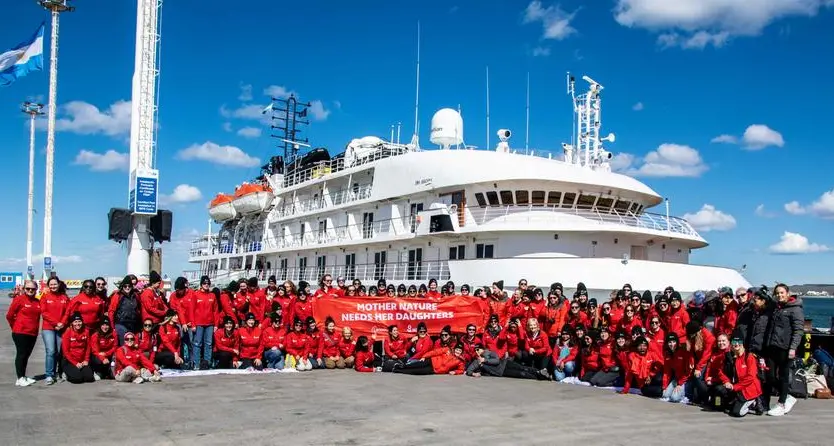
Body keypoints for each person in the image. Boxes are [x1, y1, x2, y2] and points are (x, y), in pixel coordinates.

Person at [763, 283, 803, 417]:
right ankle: (787, 396)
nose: (779, 295)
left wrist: (793, 348)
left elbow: (798, 330)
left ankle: (781, 403)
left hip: (785, 348)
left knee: (783, 376)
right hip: (772, 347)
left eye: (782, 293)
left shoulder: (795, 309)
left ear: (787, 293)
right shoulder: (776, 307)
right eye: (777, 293)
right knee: (770, 376)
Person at [715, 331, 765, 417]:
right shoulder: (731, 356)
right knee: (719, 394)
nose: (736, 344)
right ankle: (733, 402)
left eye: (739, 342)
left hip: (749, 389)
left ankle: (754, 401)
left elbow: (751, 377)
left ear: (743, 343)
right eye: (734, 342)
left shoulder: (749, 357)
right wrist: (726, 382)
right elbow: (720, 371)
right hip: (737, 387)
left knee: (737, 413)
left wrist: (735, 387)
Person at [6, 280, 42, 387]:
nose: (30, 290)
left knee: (26, 355)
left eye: (33, 289)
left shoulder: (37, 301)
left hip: (33, 333)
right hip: (20, 332)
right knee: (21, 354)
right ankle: (20, 377)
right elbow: (9, 316)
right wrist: (15, 327)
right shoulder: (19, 300)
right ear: (24, 289)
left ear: (36, 290)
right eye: (28, 289)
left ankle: (23, 376)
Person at [39, 276, 68, 385]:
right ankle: (49, 375)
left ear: (59, 284)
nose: (53, 286)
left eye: (55, 284)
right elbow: (44, 313)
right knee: (51, 351)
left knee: (60, 352)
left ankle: (59, 372)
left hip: (61, 328)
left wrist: (62, 323)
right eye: (51, 284)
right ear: (48, 286)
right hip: (48, 328)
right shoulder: (45, 297)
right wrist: (56, 323)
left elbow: (67, 312)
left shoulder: (64, 297)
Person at [466, 344, 550, 380]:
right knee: (521, 374)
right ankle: (539, 377)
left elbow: (497, 361)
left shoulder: (489, 353)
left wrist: (485, 360)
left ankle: (538, 371)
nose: (477, 351)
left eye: (478, 349)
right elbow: (469, 370)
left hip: (505, 363)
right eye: (475, 350)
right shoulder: (477, 361)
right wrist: (473, 374)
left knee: (523, 368)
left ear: (482, 349)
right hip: (502, 372)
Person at [189, 276, 217, 370]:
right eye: (204, 283)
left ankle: (207, 363)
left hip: (210, 323)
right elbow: (191, 310)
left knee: (208, 344)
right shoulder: (195, 295)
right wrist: (193, 324)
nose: (206, 285)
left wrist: (216, 324)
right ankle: (196, 363)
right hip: (198, 323)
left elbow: (215, 311)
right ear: (201, 284)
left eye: (208, 283)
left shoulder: (212, 295)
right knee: (197, 344)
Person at [61, 312, 95, 384]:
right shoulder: (68, 332)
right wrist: (75, 363)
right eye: (75, 322)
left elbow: (88, 347)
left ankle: (77, 372)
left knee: (89, 378)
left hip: (82, 361)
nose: (78, 323)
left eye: (79, 321)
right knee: (77, 379)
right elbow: (66, 351)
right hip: (70, 361)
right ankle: (65, 373)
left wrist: (86, 360)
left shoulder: (86, 331)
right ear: (72, 323)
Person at [393, 343, 466, 375]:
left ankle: (398, 370)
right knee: (416, 365)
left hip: (435, 370)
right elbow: (435, 352)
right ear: (454, 349)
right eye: (457, 349)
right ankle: (401, 366)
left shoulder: (460, 361)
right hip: (431, 361)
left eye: (459, 350)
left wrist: (455, 372)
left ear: (461, 352)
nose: (457, 351)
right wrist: (424, 356)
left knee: (417, 372)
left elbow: (461, 370)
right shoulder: (448, 350)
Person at [661, 334, 693, 403]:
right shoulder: (667, 354)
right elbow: (666, 372)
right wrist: (664, 387)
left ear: (677, 342)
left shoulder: (683, 352)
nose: (672, 344)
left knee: (674, 398)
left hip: (685, 380)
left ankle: (686, 396)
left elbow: (688, 372)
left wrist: (680, 384)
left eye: (674, 341)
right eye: (670, 342)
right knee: (665, 395)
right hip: (676, 379)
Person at [109, 277, 141, 344]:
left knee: (133, 345)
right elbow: (111, 311)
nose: (127, 287)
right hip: (121, 324)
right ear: (122, 286)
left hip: (133, 324)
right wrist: (112, 327)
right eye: (125, 286)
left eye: (129, 286)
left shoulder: (135, 295)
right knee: (124, 344)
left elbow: (138, 309)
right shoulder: (117, 296)